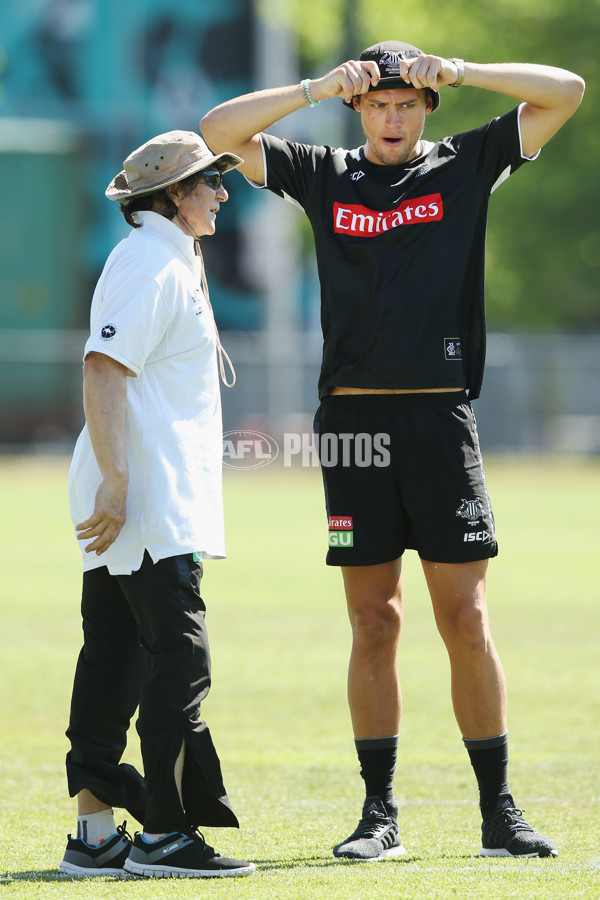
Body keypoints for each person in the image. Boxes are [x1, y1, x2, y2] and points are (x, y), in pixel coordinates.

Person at [200, 42, 584, 860]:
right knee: (374, 622)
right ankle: (379, 816)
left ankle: (499, 814)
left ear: (426, 109)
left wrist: (464, 70)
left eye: (407, 103)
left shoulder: (466, 162)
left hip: (441, 421)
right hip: (357, 428)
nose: (393, 117)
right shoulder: (324, 172)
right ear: (359, 109)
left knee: (466, 617)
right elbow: (218, 129)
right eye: (378, 104)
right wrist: (312, 87)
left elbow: (567, 91)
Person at [59, 130, 255, 879]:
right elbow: (104, 368)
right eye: (210, 183)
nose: (221, 193)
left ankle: (96, 835)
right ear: (174, 195)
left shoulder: (163, 256)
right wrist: (116, 479)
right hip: (142, 494)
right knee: (180, 657)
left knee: (114, 655)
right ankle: (167, 834)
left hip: (140, 488)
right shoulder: (151, 261)